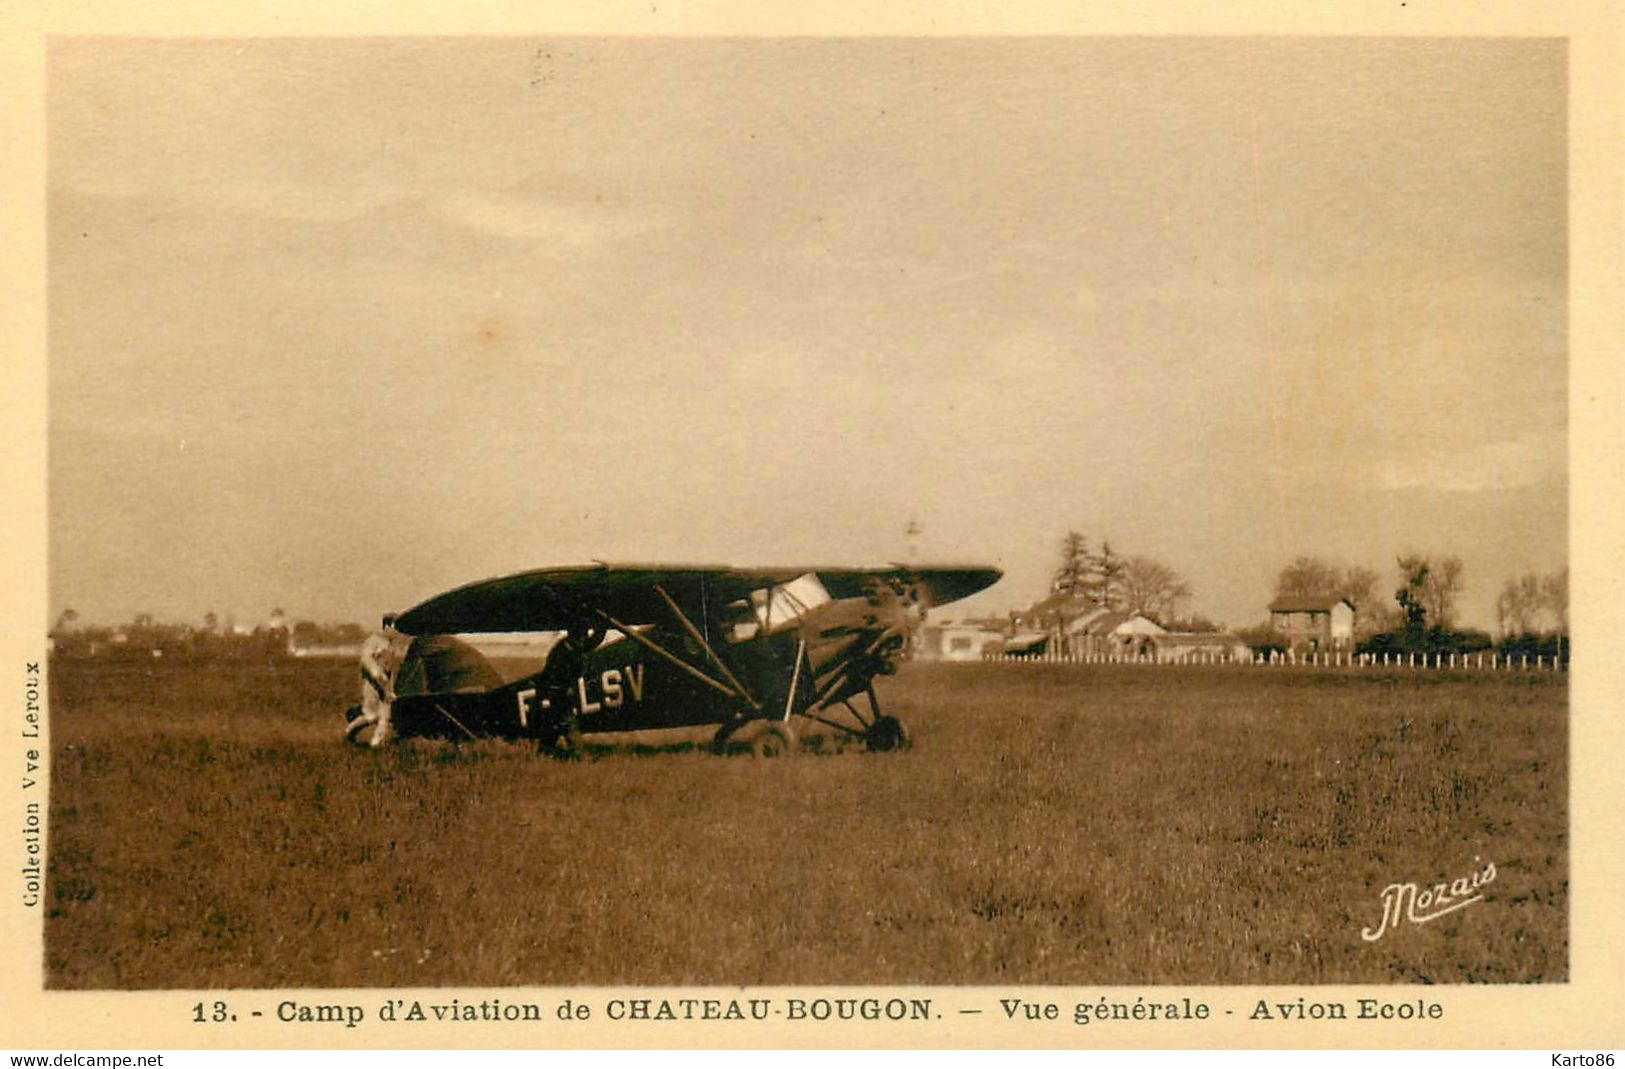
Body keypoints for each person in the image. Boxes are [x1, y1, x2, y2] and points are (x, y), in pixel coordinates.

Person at [350, 614, 408, 747]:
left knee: (385, 716)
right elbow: (366, 659)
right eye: (395, 628)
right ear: (387, 626)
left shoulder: (390, 644)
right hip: (372, 683)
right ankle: (350, 733)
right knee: (371, 716)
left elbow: (390, 666)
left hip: (385, 683)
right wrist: (376, 672)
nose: (397, 632)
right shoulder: (373, 640)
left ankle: (375, 744)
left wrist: (389, 685)